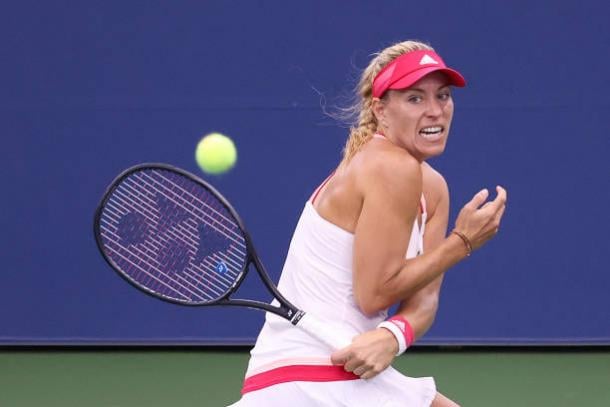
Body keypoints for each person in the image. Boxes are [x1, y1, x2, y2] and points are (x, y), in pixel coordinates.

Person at [229, 40, 507, 407]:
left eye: (443, 96)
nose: (435, 111)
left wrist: (393, 335)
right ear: (381, 110)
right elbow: (374, 293)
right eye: (415, 98)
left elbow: (424, 300)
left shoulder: (433, 188)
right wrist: (461, 243)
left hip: (323, 372)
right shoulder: (390, 165)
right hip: (312, 375)